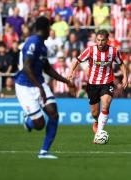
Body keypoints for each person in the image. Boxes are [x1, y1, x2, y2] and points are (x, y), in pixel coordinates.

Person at [14, 16, 71, 159]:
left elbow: (47, 68)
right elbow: (27, 67)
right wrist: (40, 88)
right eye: (49, 28)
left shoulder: (43, 46)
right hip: (25, 86)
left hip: (39, 82)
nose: (50, 31)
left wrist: (65, 81)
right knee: (39, 124)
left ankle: (44, 152)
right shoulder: (33, 42)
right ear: (44, 29)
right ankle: (29, 122)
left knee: (53, 113)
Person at [68, 29, 128, 141]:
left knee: (106, 104)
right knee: (95, 112)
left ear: (107, 40)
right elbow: (76, 60)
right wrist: (71, 71)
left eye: (103, 40)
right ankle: (97, 122)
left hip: (107, 81)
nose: (100, 43)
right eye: (98, 40)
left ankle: (99, 134)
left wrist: (125, 77)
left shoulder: (114, 51)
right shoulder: (90, 50)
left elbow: (122, 65)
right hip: (93, 84)